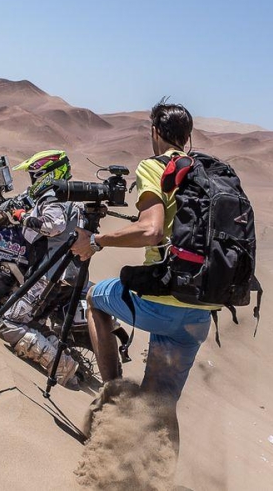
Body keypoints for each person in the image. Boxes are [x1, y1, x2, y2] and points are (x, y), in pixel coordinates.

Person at [72, 100, 212, 446]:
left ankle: (113, 395)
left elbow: (150, 231)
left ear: (155, 133)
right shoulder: (206, 173)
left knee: (94, 299)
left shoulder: (155, 167)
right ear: (188, 136)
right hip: (200, 310)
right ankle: (158, 477)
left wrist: (98, 241)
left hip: (161, 302)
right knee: (161, 406)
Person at [0, 149, 82, 387]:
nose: (32, 180)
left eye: (35, 175)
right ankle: (69, 367)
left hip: (50, 275)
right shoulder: (72, 197)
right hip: (68, 275)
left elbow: (53, 225)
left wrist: (23, 217)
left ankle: (62, 366)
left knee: (6, 323)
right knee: (34, 322)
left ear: (48, 174)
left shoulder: (52, 198)